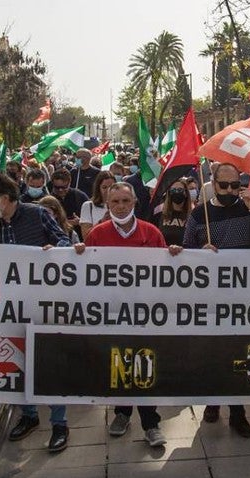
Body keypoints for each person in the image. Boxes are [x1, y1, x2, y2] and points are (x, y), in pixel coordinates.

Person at [73, 182, 179, 447]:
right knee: (118, 362)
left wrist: (176, 255)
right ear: (107, 205)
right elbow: (86, 271)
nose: (120, 207)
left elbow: (166, 271)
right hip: (113, 313)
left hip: (145, 312)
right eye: (115, 202)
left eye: (125, 201)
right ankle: (122, 413)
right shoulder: (97, 234)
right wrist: (76, 255)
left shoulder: (151, 232)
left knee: (145, 362)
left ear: (134, 203)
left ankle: (151, 423)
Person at [0, 173, 73, 452]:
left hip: (44, 303)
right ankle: (28, 415)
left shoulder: (38, 214)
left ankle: (59, 423)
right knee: (16, 361)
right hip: (11, 304)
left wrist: (52, 250)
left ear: (5, 199)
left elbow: (64, 242)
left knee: (50, 362)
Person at [183, 162, 250, 438]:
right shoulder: (200, 215)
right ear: (213, 183)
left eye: (235, 185)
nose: (230, 190)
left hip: (242, 297)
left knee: (238, 351)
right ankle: (212, 401)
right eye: (224, 185)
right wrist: (201, 251)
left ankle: (238, 412)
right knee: (213, 350)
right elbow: (186, 250)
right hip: (210, 298)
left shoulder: (248, 210)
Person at [152, 177, 192, 246]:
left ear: (186, 193)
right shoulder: (159, 214)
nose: (176, 192)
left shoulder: (193, 216)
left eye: (180, 190)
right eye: (173, 190)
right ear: (169, 193)